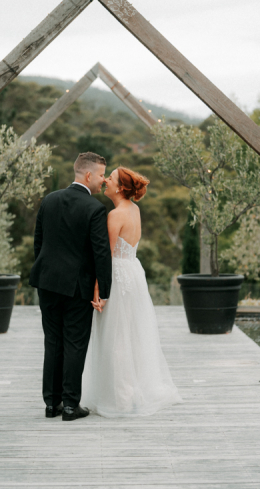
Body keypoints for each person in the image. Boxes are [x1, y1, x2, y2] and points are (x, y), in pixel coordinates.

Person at [81, 167, 182, 417]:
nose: (105, 181)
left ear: (120, 188)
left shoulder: (115, 215)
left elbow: (105, 257)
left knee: (116, 338)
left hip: (117, 276)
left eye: (110, 178)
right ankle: (130, 390)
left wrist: (98, 290)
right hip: (133, 273)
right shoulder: (135, 210)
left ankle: (120, 397)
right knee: (131, 334)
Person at [29, 152, 112, 421]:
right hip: (77, 287)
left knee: (52, 342)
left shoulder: (49, 200)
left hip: (47, 282)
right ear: (88, 175)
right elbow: (101, 254)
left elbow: (38, 242)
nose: (103, 181)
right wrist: (105, 292)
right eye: (101, 175)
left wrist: (46, 272)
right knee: (75, 343)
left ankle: (51, 404)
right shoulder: (95, 209)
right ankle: (69, 406)